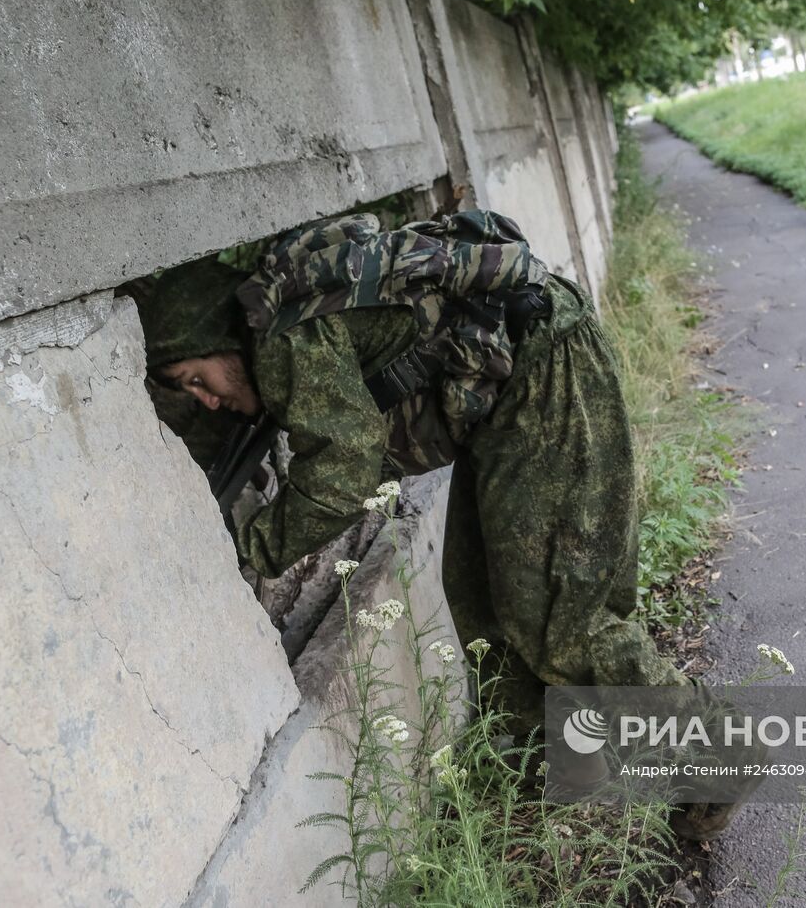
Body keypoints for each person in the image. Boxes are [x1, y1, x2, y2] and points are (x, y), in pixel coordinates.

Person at [136, 211, 736, 838]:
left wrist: (248, 549)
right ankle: (552, 756)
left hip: (545, 374)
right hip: (514, 394)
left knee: (563, 621)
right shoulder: (280, 318)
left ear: (222, 341)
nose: (207, 399)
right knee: (479, 599)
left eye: (197, 379)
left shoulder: (285, 342)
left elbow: (342, 471)